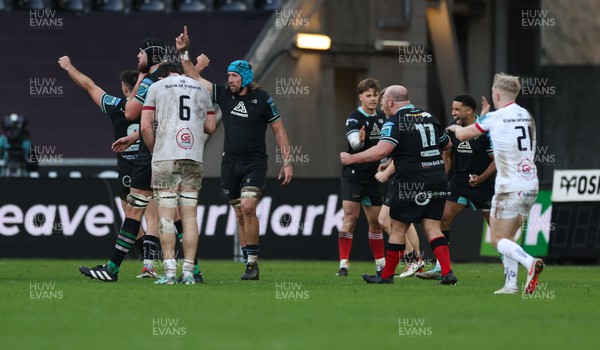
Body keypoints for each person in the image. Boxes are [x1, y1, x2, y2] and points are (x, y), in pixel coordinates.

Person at [176, 25, 293, 280]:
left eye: (234, 76)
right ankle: (248, 261)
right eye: (228, 75)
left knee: (249, 207)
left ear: (245, 78)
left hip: (254, 164)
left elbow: (280, 131)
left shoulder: (262, 99)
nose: (229, 79)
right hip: (229, 164)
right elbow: (194, 78)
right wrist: (184, 53)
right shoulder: (224, 95)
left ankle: (253, 263)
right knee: (240, 213)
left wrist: (287, 161)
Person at [340, 85, 457, 285]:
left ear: (391, 102)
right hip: (437, 178)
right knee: (432, 227)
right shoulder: (429, 117)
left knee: (397, 228)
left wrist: (352, 158)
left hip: (412, 180)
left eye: (383, 100)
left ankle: (385, 277)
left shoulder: (394, 122)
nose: (381, 105)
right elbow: (447, 145)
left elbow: (380, 151)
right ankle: (447, 273)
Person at [79, 38, 172, 282]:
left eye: (141, 53)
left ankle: (122, 268)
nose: (137, 56)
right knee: (178, 213)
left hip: (145, 159)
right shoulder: (174, 79)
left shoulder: (137, 91)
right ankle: (187, 270)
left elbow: (128, 110)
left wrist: (68, 67)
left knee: (134, 212)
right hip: (176, 151)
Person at [446, 73, 543, 294]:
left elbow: (463, 135)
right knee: (509, 238)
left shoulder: (496, 118)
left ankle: (530, 262)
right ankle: (510, 285)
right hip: (530, 184)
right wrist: (485, 116)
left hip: (508, 185)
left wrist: (454, 129)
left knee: (497, 238)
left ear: (496, 94)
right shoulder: (526, 115)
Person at [141, 62, 216, 285]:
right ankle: (190, 273)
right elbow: (211, 127)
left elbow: (145, 126)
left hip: (166, 156)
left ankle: (171, 272)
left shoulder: (158, 87)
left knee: (165, 216)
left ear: (162, 75)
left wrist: (155, 150)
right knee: (190, 216)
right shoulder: (201, 88)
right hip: (193, 156)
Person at [58, 56, 143, 234]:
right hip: (150, 166)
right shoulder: (153, 108)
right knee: (157, 217)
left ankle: (146, 259)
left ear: (124, 88)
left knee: (131, 219)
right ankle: (167, 259)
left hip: (128, 171)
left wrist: (69, 67)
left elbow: (89, 85)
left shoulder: (115, 106)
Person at [417, 94, 496, 280]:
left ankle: (511, 270)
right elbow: (448, 156)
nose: (453, 113)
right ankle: (440, 268)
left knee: (497, 231)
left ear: (469, 111)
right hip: (459, 183)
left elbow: (496, 161)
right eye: (452, 109)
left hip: (485, 184)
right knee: (442, 219)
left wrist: (482, 177)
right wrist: (440, 180)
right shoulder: (452, 128)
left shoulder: (485, 130)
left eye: (457, 109)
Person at [336, 78, 386, 277]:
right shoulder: (354, 118)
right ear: (360, 97)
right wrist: (360, 140)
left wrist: (386, 161)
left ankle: (381, 264)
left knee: (376, 222)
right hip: (354, 175)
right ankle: (343, 264)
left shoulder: (382, 118)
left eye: (375, 95)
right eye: (368, 95)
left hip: (374, 176)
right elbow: (354, 144)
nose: (373, 99)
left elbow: (387, 145)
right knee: (351, 218)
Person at [374, 160, 424, 278]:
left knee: (384, 220)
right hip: (415, 175)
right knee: (406, 222)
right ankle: (417, 266)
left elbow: (399, 154)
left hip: (403, 177)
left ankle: (413, 260)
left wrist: (386, 172)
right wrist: (389, 163)